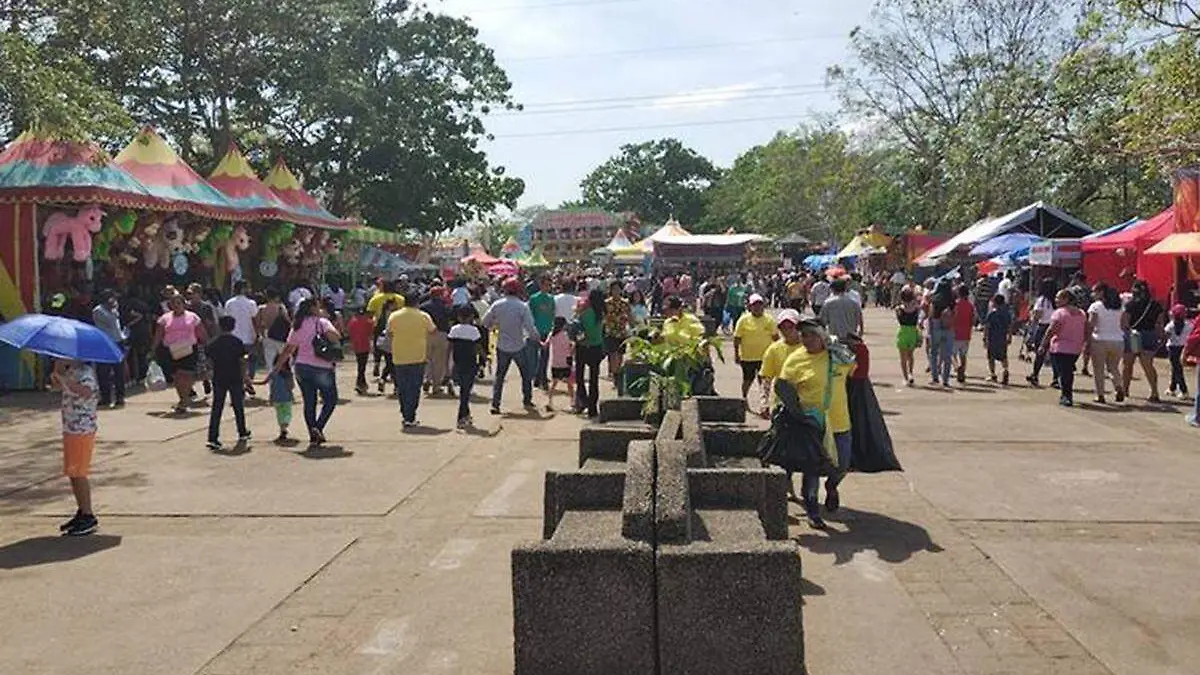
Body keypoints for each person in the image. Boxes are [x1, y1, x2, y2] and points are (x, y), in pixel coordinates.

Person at [779, 319, 855, 529]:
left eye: (812, 334)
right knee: (811, 468)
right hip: (810, 425)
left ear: (822, 336)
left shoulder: (837, 356)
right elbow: (784, 391)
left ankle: (832, 487)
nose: (808, 339)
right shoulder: (795, 360)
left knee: (842, 466)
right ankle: (813, 511)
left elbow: (857, 372)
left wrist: (849, 345)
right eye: (804, 335)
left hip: (840, 422)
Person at [275, 298, 340, 444]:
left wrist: (277, 367)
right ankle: (318, 426)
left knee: (309, 401)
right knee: (330, 399)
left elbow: (288, 349)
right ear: (312, 308)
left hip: (302, 367)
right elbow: (336, 337)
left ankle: (313, 433)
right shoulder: (322, 322)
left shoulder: (297, 325)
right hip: (322, 367)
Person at [50, 358, 101, 536]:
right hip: (70, 427)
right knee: (73, 472)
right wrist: (58, 374)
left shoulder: (86, 373)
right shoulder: (71, 371)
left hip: (82, 429)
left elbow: (85, 392)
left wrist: (65, 380)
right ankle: (81, 510)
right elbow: (58, 388)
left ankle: (88, 515)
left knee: (79, 472)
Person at [483, 278, 540, 415]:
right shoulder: (522, 306)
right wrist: (537, 338)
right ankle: (527, 399)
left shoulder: (497, 305)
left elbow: (485, 322)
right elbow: (530, 327)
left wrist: (494, 325)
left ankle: (495, 404)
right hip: (519, 345)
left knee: (500, 376)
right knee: (525, 374)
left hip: (502, 345)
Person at [387, 292, 436, 428]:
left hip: (399, 356)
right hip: (418, 356)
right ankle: (410, 415)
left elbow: (390, 333)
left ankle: (405, 413)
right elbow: (433, 330)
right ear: (417, 302)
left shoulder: (394, 316)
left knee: (403, 387)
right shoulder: (423, 316)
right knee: (414, 388)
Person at [152, 292, 206, 414]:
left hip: (189, 350)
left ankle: (184, 400)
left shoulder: (193, 317)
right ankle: (183, 398)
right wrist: (153, 349)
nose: (176, 305)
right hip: (170, 350)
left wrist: (206, 344)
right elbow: (158, 335)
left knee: (186, 375)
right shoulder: (165, 318)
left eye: (178, 303)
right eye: (173, 303)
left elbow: (201, 332)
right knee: (176, 377)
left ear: (184, 304)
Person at [205, 316, 252, 450]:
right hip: (235, 376)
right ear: (233, 326)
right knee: (238, 405)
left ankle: (213, 437)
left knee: (217, 407)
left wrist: (211, 372)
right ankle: (242, 431)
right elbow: (242, 360)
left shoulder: (213, 343)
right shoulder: (237, 342)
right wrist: (245, 376)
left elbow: (209, 361)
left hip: (219, 377)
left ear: (220, 326)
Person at [1041, 290, 1087, 407]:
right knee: (1066, 371)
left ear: (1066, 299)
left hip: (1060, 347)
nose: (1056, 300)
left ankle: (1066, 395)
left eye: (1058, 298)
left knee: (1064, 373)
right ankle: (1066, 394)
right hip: (1075, 348)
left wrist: (1043, 344)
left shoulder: (1059, 313)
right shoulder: (1081, 313)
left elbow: (1051, 330)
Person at [758, 309, 804, 420]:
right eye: (783, 328)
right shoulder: (774, 349)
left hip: (806, 403)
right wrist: (764, 402)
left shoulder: (809, 346)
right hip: (781, 404)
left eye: (791, 327)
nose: (787, 331)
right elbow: (766, 378)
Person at [1122, 281, 1164, 402]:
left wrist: (1126, 332)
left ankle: (1125, 390)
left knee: (1128, 364)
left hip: (1133, 335)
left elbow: (1125, 322)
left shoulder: (1131, 305)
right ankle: (1154, 391)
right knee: (1148, 365)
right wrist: (1160, 336)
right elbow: (1159, 323)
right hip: (1150, 335)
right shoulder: (1156, 305)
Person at [733, 294, 777, 408]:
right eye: (754, 305)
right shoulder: (743, 320)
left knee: (763, 381)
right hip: (747, 357)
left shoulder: (769, 320)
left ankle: (764, 404)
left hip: (765, 357)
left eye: (759, 305)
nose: (757, 307)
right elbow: (737, 338)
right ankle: (744, 398)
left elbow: (776, 338)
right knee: (748, 380)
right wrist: (736, 354)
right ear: (750, 306)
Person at [1086, 284, 1127, 404]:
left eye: (1094, 292)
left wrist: (1087, 341)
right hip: (1118, 340)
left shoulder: (1096, 306)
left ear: (1101, 292)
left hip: (1099, 339)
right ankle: (1118, 386)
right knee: (1113, 367)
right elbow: (1124, 325)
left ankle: (1100, 395)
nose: (1092, 294)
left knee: (1098, 369)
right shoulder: (1119, 307)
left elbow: (1091, 324)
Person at [573, 288, 607, 417]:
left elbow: (576, 325)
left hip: (582, 347)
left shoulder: (585, 312)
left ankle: (584, 400)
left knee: (579, 378)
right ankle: (593, 408)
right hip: (596, 348)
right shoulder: (601, 314)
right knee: (594, 380)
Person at [92, 290, 128, 408]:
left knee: (119, 371)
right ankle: (105, 397)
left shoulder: (114, 309)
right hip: (105, 343)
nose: (115, 301)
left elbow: (117, 326)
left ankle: (120, 397)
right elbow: (111, 322)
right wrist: (112, 310)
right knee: (103, 371)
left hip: (118, 341)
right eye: (112, 298)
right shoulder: (98, 311)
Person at [448, 305, 482, 429]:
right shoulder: (474, 330)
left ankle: (466, 415)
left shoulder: (454, 329)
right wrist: (485, 357)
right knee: (465, 392)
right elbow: (477, 347)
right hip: (470, 363)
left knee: (464, 390)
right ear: (472, 317)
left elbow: (450, 347)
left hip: (458, 363)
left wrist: (449, 362)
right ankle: (461, 417)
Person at [224, 281, 260, 382]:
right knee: (251, 360)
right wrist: (258, 335)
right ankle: (249, 379)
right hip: (249, 337)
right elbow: (255, 321)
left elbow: (226, 320)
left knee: (235, 362)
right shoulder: (251, 303)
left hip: (233, 337)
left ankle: (239, 380)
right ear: (244, 289)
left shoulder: (229, 303)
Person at [420, 287, 453, 397]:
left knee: (427, 359)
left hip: (426, 334)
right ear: (441, 295)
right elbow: (450, 320)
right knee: (439, 362)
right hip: (442, 334)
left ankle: (426, 379)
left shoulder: (423, 306)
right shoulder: (445, 306)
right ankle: (436, 386)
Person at [1026, 279, 1058, 387]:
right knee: (1055, 354)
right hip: (1057, 328)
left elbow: (1037, 316)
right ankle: (1056, 378)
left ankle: (1035, 375)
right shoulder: (1058, 301)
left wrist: (1031, 328)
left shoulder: (1042, 300)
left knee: (1040, 353)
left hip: (1043, 327)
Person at [529, 276, 557, 389]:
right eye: (545, 284)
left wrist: (552, 328)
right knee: (535, 356)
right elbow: (530, 315)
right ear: (541, 285)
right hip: (536, 330)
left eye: (549, 285)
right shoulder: (533, 298)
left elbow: (552, 314)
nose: (547, 287)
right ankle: (537, 377)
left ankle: (543, 378)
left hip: (547, 330)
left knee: (545, 356)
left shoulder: (551, 299)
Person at [543, 316, 575, 412]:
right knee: (570, 384)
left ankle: (549, 402)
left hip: (555, 363)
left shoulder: (551, 335)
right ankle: (572, 402)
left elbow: (545, 345)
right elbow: (570, 346)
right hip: (565, 362)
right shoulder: (566, 335)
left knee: (554, 383)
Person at [927, 282, 955, 388]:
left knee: (934, 353)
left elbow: (930, 315)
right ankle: (946, 379)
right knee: (947, 355)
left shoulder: (935, 300)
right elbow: (955, 314)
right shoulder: (952, 301)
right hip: (949, 328)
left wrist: (930, 330)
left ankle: (935, 377)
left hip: (936, 326)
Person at [819, 277, 863, 342]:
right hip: (851, 337)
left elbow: (823, 321)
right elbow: (860, 318)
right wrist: (861, 331)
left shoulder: (828, 303)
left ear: (832, 289)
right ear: (845, 288)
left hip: (835, 338)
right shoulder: (853, 302)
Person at [604, 281, 632, 383]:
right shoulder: (606, 303)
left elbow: (629, 315)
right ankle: (614, 373)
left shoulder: (625, 303)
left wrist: (633, 327)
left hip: (622, 332)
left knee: (620, 354)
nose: (616, 291)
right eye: (614, 289)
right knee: (612, 353)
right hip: (610, 332)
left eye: (618, 289)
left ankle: (617, 373)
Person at [1165, 304, 1193, 400]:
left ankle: (1184, 390)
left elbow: (1166, 335)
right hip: (1183, 348)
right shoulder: (1189, 325)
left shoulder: (1171, 325)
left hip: (1173, 348)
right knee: (1176, 368)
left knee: (1177, 369)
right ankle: (1172, 388)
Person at [983, 294, 1013, 385]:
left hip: (992, 338)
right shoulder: (1007, 314)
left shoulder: (992, 313)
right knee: (1003, 356)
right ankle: (1005, 370)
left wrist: (985, 338)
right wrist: (1009, 336)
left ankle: (993, 374)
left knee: (991, 357)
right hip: (1002, 338)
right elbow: (1010, 326)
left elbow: (987, 327)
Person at [895, 287, 921, 387]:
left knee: (903, 358)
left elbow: (898, 318)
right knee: (910, 355)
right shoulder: (916, 309)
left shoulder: (899, 309)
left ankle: (905, 378)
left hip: (903, 332)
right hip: (913, 332)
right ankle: (911, 373)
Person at [347, 306, 375, 395]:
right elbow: (371, 333)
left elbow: (349, 332)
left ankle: (361, 383)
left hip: (356, 345)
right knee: (362, 366)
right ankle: (360, 383)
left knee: (360, 365)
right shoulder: (368, 321)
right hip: (365, 345)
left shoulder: (352, 321)